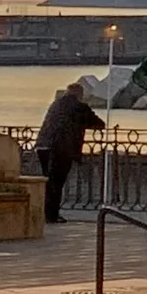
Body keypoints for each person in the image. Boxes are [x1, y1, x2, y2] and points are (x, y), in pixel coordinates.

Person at [34, 79, 102, 225]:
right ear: (80, 94)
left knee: (48, 181)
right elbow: (98, 123)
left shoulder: (56, 104)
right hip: (60, 148)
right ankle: (52, 215)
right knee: (56, 183)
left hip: (42, 145)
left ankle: (46, 213)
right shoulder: (78, 106)